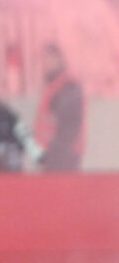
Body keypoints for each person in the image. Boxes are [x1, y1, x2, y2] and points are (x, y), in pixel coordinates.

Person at [34, 43, 85, 172]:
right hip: (53, 156)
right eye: (43, 60)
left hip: (62, 158)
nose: (45, 64)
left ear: (60, 60)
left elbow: (69, 126)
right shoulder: (53, 86)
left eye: (50, 59)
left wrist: (54, 154)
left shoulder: (67, 87)